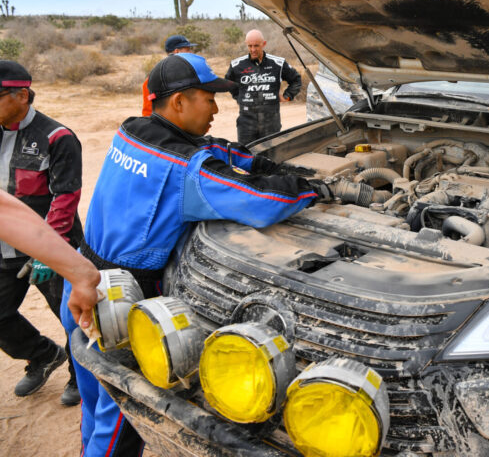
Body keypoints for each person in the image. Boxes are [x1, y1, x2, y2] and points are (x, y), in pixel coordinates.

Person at [61, 52, 331, 456]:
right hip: (121, 309)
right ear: (180, 102)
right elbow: (262, 200)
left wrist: (252, 159)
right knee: (120, 421)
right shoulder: (188, 170)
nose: (217, 107)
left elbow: (205, 148)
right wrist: (316, 190)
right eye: (209, 98)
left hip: (81, 286)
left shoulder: (132, 130)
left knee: (94, 398)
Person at [0, 60, 84, 406]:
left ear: (22, 95)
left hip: (52, 248)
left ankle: (81, 378)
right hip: (5, 247)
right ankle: (43, 355)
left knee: (72, 318)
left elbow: (65, 198)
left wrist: (47, 251)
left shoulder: (57, 138)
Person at [0, 190, 99, 333]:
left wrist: (79, 271)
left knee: (75, 320)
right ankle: (50, 355)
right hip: (10, 252)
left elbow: (5, 213)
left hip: (51, 247)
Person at [225, 29, 302, 145]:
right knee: (246, 154)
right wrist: (239, 97)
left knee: (271, 154)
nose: (253, 49)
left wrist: (288, 96)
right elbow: (229, 83)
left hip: (271, 120)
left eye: (256, 45)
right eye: (250, 46)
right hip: (246, 120)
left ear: (264, 44)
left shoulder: (278, 63)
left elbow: (296, 79)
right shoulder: (237, 65)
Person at [140, 34, 198, 117]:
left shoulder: (189, 71)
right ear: (177, 51)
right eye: (187, 49)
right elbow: (148, 112)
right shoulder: (156, 77)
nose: (190, 53)